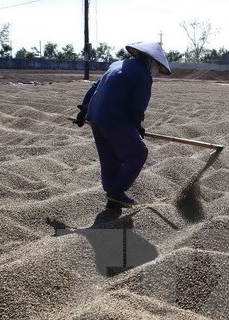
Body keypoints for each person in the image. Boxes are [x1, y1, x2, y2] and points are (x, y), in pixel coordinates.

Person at [73, 42, 171, 208]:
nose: (156, 71)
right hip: (113, 117)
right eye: (157, 67)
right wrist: (137, 127)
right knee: (138, 153)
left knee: (109, 154)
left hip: (96, 116)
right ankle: (116, 191)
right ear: (151, 62)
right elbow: (137, 107)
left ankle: (111, 191)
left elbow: (95, 87)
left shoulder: (117, 64)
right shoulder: (143, 75)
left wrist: (83, 111)